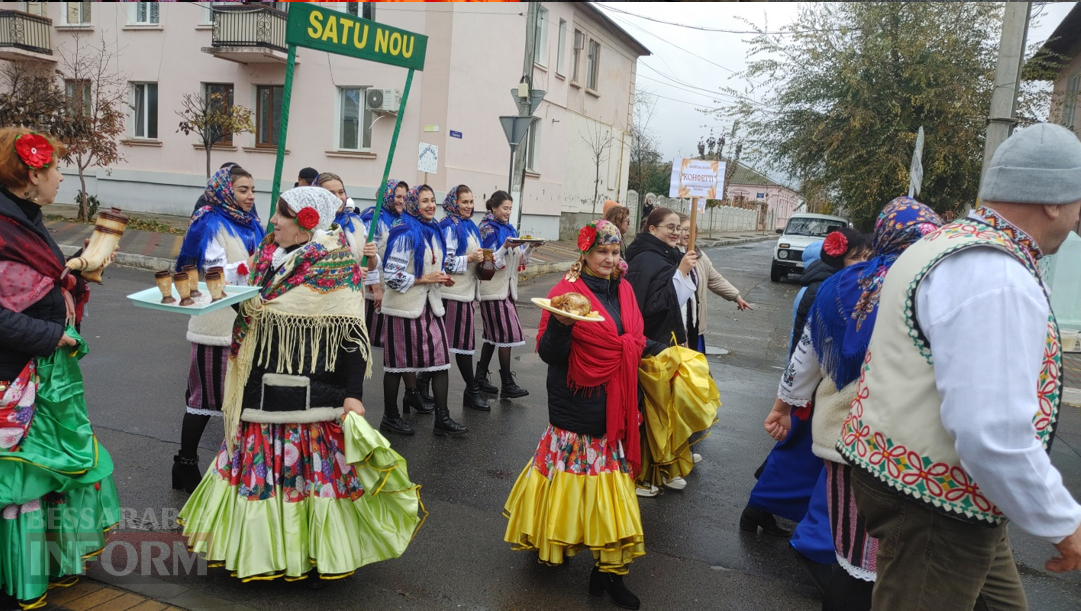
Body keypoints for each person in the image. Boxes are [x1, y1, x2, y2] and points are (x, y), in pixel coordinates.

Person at [840, 123, 1081, 608]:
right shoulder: (996, 275)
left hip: (936, 486)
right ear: (1052, 200)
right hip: (938, 502)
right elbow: (991, 430)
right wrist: (1064, 523)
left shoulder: (945, 242)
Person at [179, 187, 422, 583]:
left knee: (307, 486)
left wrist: (352, 396)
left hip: (310, 399)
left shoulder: (337, 267)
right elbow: (254, 307)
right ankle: (259, 553)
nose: (272, 222)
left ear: (307, 223)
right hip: (257, 392)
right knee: (261, 481)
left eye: (282, 216)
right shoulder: (268, 259)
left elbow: (351, 338)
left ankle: (306, 553)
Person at [764, 197, 943, 610]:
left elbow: (807, 353)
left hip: (845, 437)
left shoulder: (845, 284)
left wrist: (783, 406)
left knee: (852, 554)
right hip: (911, 446)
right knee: (894, 557)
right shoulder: (938, 285)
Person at [504, 220, 661, 611]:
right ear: (585, 253)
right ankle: (557, 543)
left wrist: (671, 353)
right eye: (602, 252)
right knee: (570, 488)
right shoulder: (565, 294)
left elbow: (633, 339)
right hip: (577, 408)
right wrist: (561, 325)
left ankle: (608, 574)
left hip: (617, 406)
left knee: (609, 497)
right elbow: (548, 354)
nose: (609, 259)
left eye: (614, 252)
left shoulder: (623, 289)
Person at [0, 128, 120, 608]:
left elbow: (31, 277)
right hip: (15, 373)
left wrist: (68, 270)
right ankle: (12, 583)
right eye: (54, 169)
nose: (61, 176)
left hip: (40, 370)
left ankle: (38, 566)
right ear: (32, 174)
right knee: (19, 478)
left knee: (46, 473)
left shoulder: (24, 216)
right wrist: (52, 334)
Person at [741, 229, 871, 594]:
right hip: (814, 388)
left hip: (810, 387)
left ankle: (761, 509)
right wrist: (791, 398)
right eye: (857, 258)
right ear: (836, 258)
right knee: (803, 460)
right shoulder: (832, 290)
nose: (865, 265)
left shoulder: (827, 284)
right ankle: (802, 535)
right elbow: (809, 345)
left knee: (799, 459)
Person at [173, 165, 264, 493]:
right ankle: (185, 463)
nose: (250, 195)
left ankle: (237, 466)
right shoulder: (208, 220)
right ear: (226, 190)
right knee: (205, 399)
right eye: (243, 189)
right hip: (215, 323)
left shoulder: (251, 221)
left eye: (252, 189)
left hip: (245, 320)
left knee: (239, 399)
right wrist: (248, 266)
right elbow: (207, 270)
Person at [379, 185, 467, 437]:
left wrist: (441, 278)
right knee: (397, 365)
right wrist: (424, 279)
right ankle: (390, 417)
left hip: (431, 307)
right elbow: (392, 276)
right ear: (412, 204)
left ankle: (442, 418)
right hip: (403, 309)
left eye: (433, 200)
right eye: (424, 200)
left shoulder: (433, 230)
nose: (430, 205)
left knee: (440, 362)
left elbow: (432, 268)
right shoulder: (404, 232)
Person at [476, 191, 542, 399]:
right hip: (492, 290)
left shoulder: (509, 229)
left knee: (493, 336)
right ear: (493, 208)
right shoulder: (487, 229)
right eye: (505, 208)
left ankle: (480, 377)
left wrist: (530, 247)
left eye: (510, 208)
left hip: (506, 290)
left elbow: (520, 260)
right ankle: (506, 382)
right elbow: (488, 262)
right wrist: (504, 247)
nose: (508, 212)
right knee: (507, 335)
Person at [438, 185, 489, 411]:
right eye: (464, 202)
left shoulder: (469, 226)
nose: (469, 206)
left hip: (466, 294)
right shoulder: (449, 226)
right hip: (452, 294)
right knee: (459, 346)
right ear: (453, 203)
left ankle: (420, 386)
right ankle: (472, 389)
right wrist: (469, 258)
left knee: (455, 345)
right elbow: (444, 262)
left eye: (471, 202)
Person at [790, 229, 871, 356]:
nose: (863, 263)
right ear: (838, 260)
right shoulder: (821, 291)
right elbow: (803, 341)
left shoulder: (857, 286)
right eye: (855, 257)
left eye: (866, 257)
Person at [624, 207, 697, 348]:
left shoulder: (669, 254)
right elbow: (646, 306)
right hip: (650, 341)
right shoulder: (644, 259)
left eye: (678, 228)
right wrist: (680, 273)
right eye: (670, 228)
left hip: (664, 339)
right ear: (652, 229)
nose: (675, 233)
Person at [316, 172, 378, 270]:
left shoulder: (355, 223)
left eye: (341, 192)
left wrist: (372, 256)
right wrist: (352, 273)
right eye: (331, 193)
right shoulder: (311, 225)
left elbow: (368, 267)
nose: (338, 198)